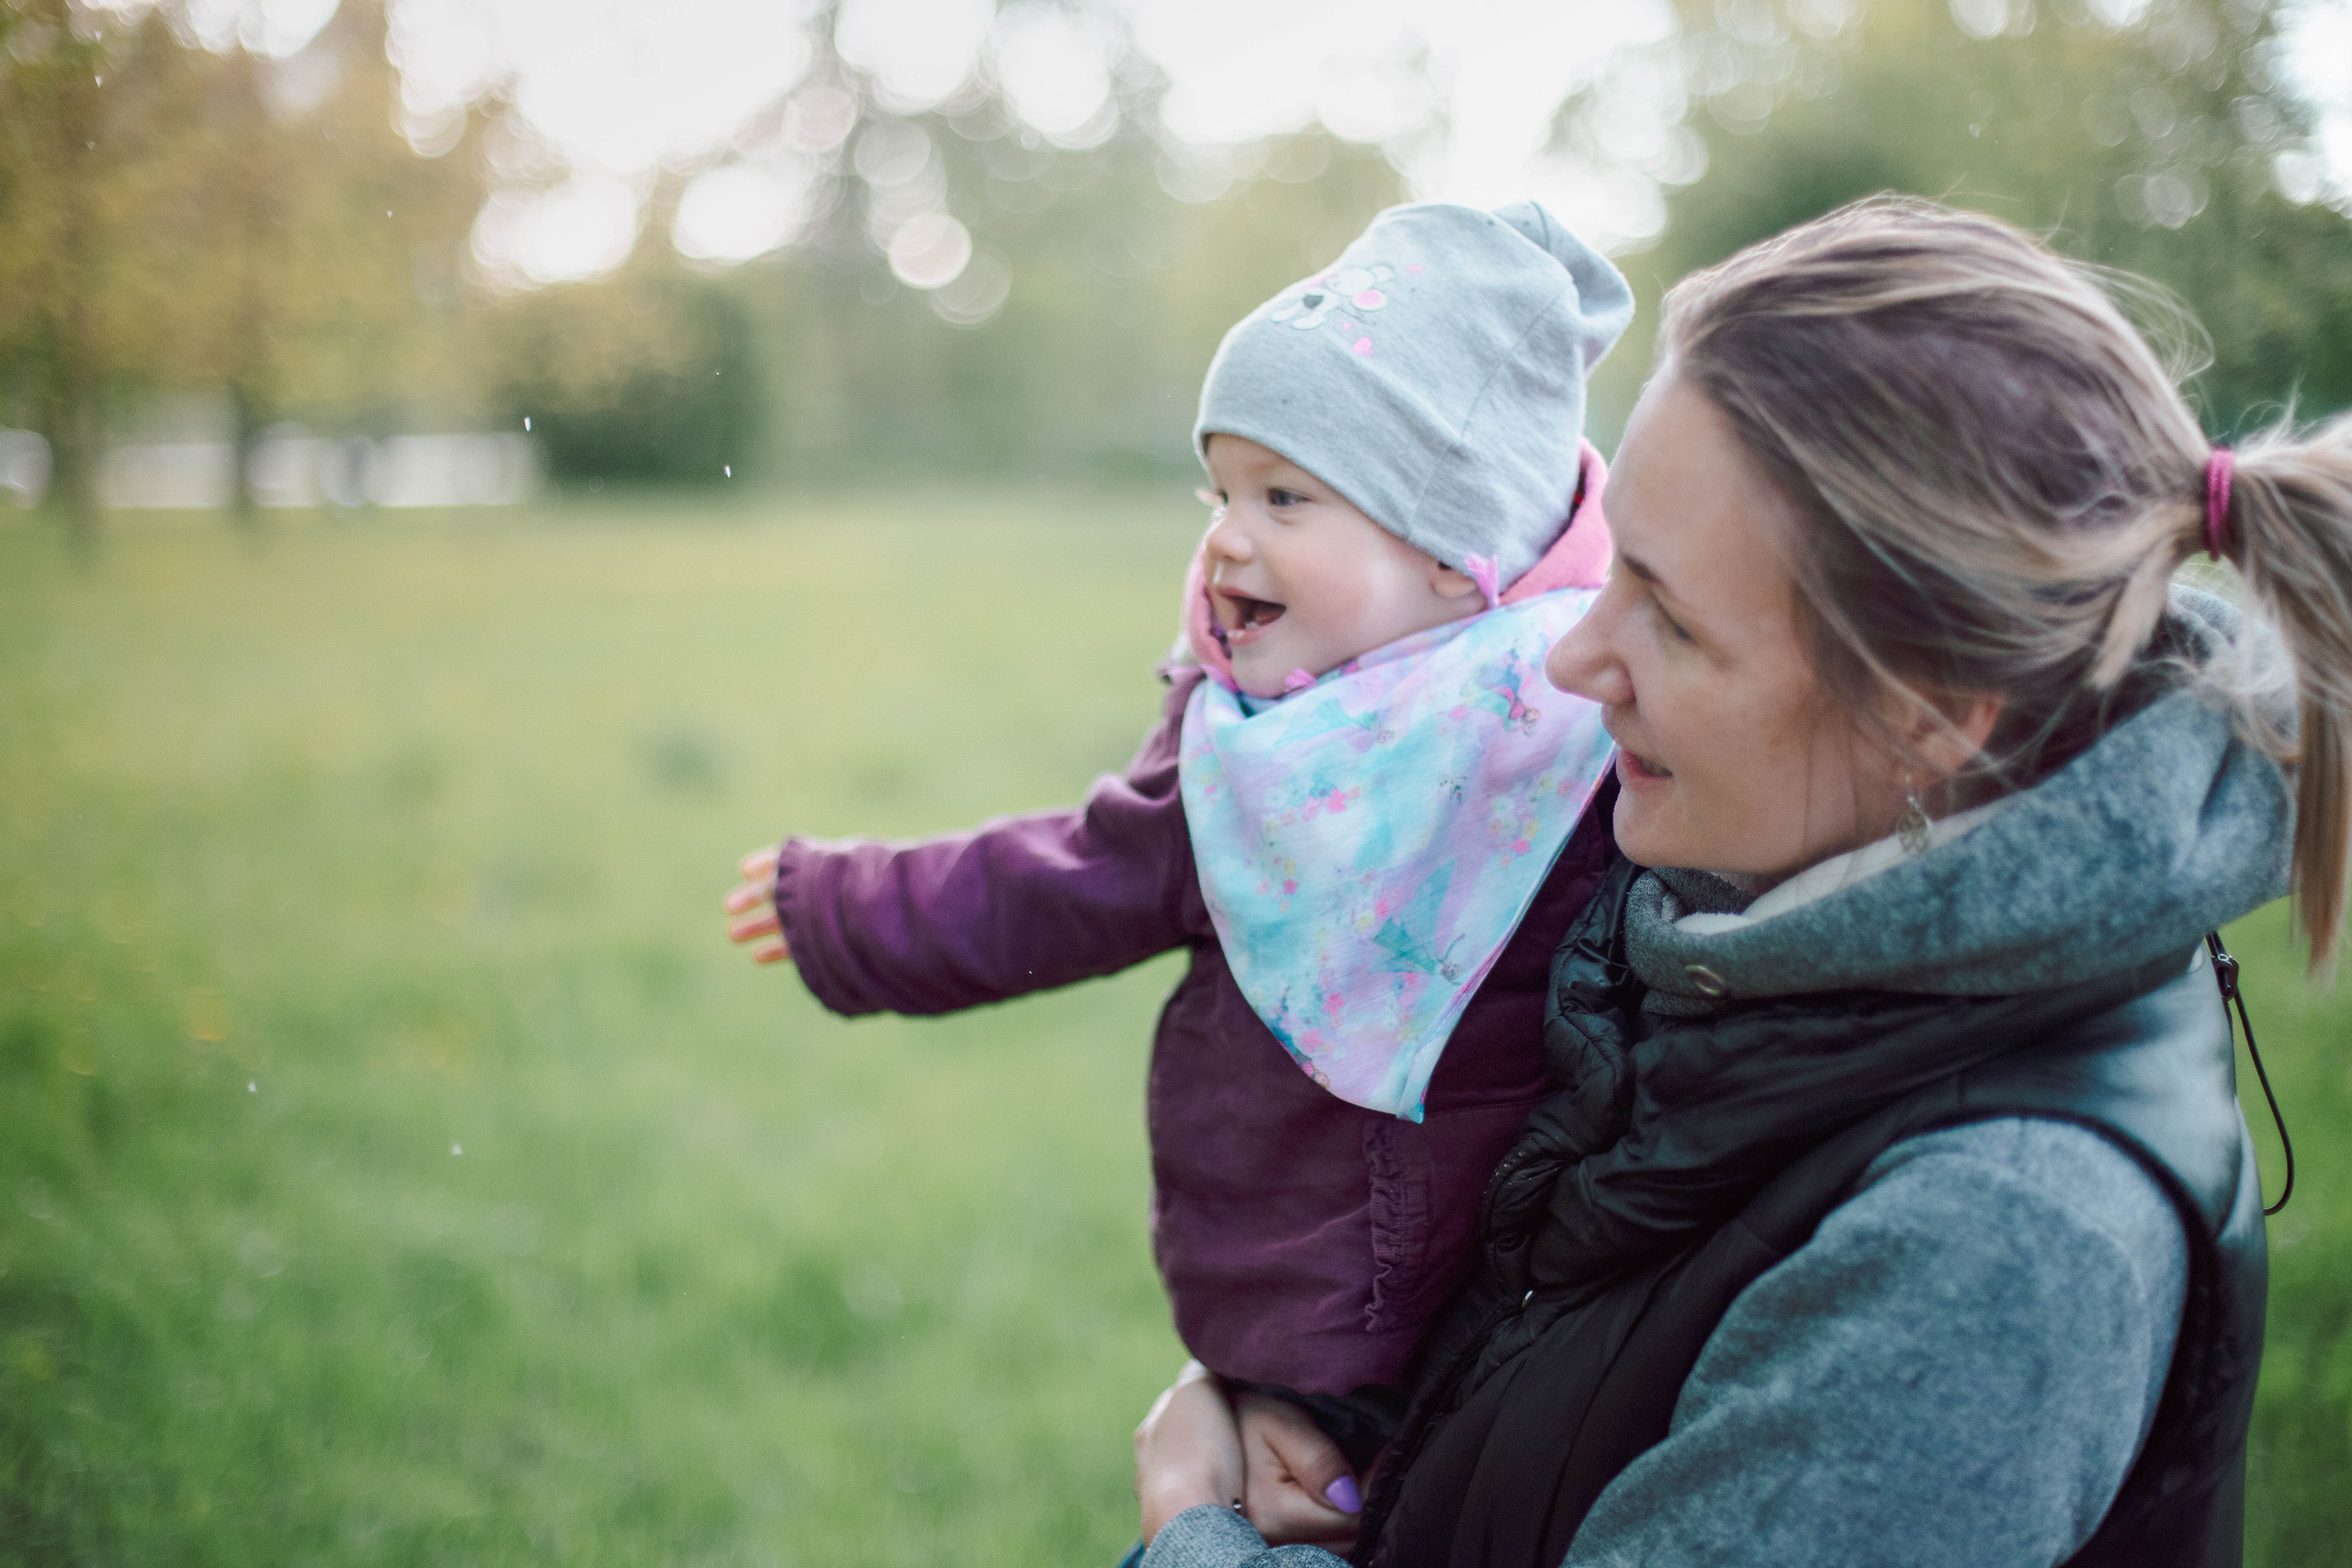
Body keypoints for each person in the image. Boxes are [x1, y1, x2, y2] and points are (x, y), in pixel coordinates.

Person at [1133, 195, 2352, 1566]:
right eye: (1608, 573)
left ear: (1929, 710)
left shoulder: (1986, 1252)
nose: (1571, 661)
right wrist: (1319, 1417)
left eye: (1672, 616)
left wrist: (1197, 1532)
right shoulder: (1740, 924)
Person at [724, 202, 1635, 1495]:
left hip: (1524, 1285)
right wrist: (852, 906)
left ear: (1453, 550)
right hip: (1305, 1290)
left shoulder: (1578, 724)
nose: (1224, 535)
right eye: (1218, 489)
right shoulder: (1246, 741)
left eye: (1284, 496)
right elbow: (1077, 876)